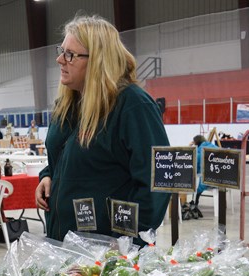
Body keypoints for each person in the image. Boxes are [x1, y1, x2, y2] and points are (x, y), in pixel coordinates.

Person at [35, 15, 170, 243]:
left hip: (104, 251)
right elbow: (65, 156)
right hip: (62, 242)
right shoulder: (67, 104)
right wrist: (48, 175)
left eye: (70, 54)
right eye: (61, 50)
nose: (60, 59)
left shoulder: (132, 105)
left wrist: (128, 244)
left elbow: (155, 182)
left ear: (98, 60)